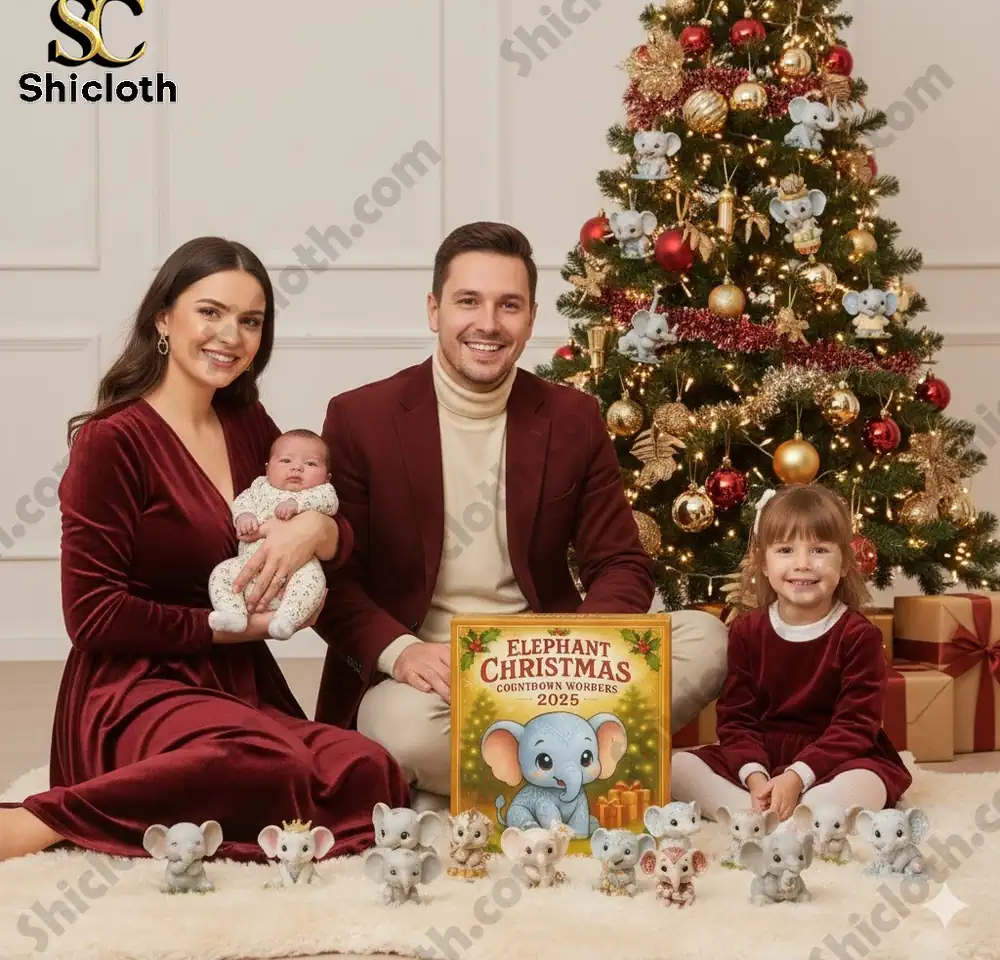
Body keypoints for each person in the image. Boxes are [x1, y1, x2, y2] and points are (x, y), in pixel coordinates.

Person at [0, 236, 408, 863]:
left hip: (237, 685)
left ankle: (173, 807)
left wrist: (319, 532)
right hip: (131, 690)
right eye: (211, 312)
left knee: (368, 766)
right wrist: (231, 628)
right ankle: (45, 822)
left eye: (251, 321)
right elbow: (92, 617)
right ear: (163, 318)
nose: (231, 336)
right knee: (257, 761)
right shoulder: (112, 442)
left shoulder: (249, 426)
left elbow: (331, 526)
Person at [304, 221, 728, 810]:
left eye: (509, 305)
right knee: (397, 727)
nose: (488, 323)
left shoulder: (572, 417)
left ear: (530, 318)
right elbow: (335, 580)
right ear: (434, 310)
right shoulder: (361, 417)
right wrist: (401, 653)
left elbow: (620, 562)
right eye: (468, 301)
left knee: (707, 639)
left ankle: (486, 780)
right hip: (434, 676)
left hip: (553, 663)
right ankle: (576, 770)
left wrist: (576, 653)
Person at [671, 484, 912, 822]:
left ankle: (799, 815)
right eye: (785, 550)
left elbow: (856, 726)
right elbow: (737, 719)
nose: (802, 564)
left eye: (819, 550)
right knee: (678, 767)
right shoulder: (747, 631)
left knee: (866, 784)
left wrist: (798, 776)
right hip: (763, 756)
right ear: (764, 564)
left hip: (836, 758)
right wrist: (755, 777)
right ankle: (755, 813)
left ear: (845, 563)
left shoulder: (859, 636)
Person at [209, 429, 338, 640]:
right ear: (267, 469)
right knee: (222, 573)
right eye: (286, 460)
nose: (297, 467)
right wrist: (244, 516)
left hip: (297, 570)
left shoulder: (321, 491)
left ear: (327, 477)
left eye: (311, 464)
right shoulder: (259, 487)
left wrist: (296, 503)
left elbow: (329, 503)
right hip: (248, 567)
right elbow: (242, 502)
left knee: (313, 581)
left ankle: (287, 619)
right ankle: (232, 613)